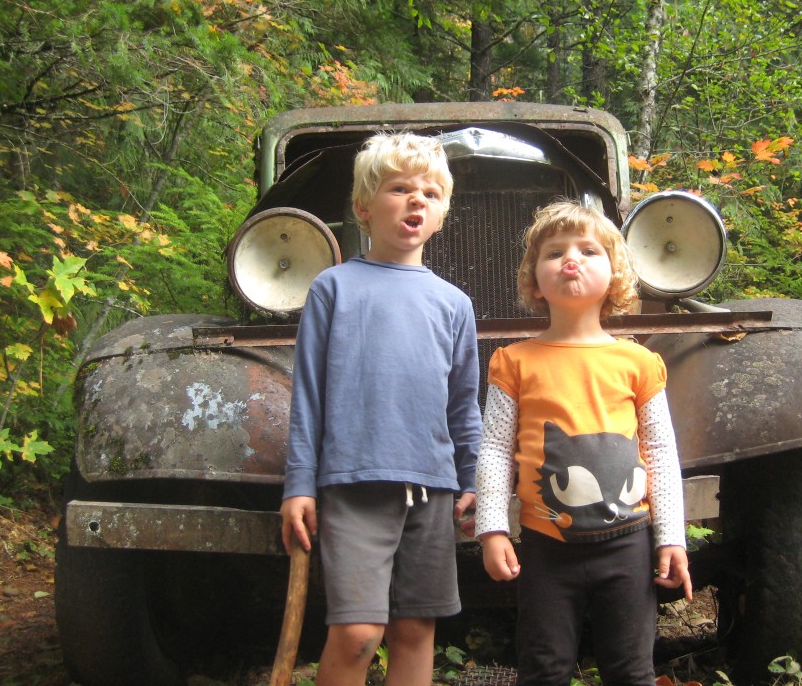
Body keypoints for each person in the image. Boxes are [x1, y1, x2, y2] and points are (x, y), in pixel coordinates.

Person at [280, 131, 482, 686]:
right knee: (358, 633)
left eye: (430, 194)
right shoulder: (333, 288)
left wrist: (472, 474)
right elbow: (308, 395)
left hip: (432, 488)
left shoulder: (454, 304)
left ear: (442, 213)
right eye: (399, 189)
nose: (416, 201)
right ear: (364, 207)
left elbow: (464, 402)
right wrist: (299, 485)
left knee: (416, 632)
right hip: (353, 486)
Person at [474, 200, 693, 686]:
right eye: (555, 253)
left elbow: (659, 453)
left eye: (588, 250)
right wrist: (491, 528)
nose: (571, 259)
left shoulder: (638, 362)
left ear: (615, 274)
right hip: (547, 548)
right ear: (534, 279)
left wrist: (671, 537)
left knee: (631, 669)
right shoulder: (513, 362)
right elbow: (493, 449)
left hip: (629, 546)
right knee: (544, 669)